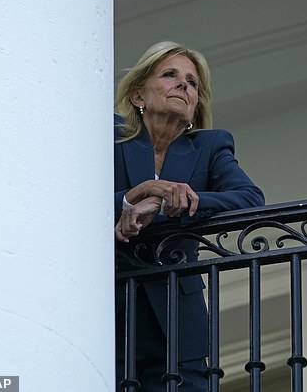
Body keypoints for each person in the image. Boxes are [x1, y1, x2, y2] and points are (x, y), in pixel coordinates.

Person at [113, 41, 265, 391]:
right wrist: (128, 200)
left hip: (178, 320)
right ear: (138, 96)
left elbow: (250, 199)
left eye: (193, 82)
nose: (184, 85)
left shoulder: (210, 147)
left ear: (196, 105)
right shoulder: (108, 139)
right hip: (113, 307)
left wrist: (181, 200)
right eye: (170, 75)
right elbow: (64, 203)